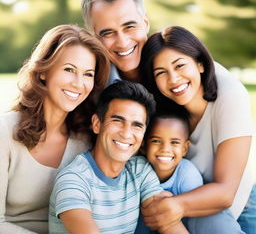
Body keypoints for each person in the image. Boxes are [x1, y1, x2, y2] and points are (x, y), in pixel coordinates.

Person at [140, 25, 256, 234]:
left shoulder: (230, 95)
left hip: (241, 205)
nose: (173, 79)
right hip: (188, 203)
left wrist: (175, 206)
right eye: (161, 72)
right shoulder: (166, 113)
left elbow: (226, 193)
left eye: (180, 66)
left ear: (201, 64)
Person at [0, 24, 110, 234]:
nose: (79, 84)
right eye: (69, 69)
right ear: (44, 72)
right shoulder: (4, 131)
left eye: (88, 74)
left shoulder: (86, 140)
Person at [49, 81, 189, 234]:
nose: (126, 134)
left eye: (137, 125)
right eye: (117, 120)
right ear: (97, 124)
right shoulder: (74, 180)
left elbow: (168, 224)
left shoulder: (139, 170)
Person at [135, 108, 245, 234]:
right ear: (143, 146)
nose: (165, 149)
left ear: (185, 149)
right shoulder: (138, 170)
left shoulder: (187, 174)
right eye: (156, 141)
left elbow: (198, 221)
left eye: (174, 142)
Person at [81, 0, 150, 83]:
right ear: (93, 39)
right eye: (108, 33)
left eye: (129, 27)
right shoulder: (88, 89)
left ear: (146, 23)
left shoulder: (178, 71)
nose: (122, 43)